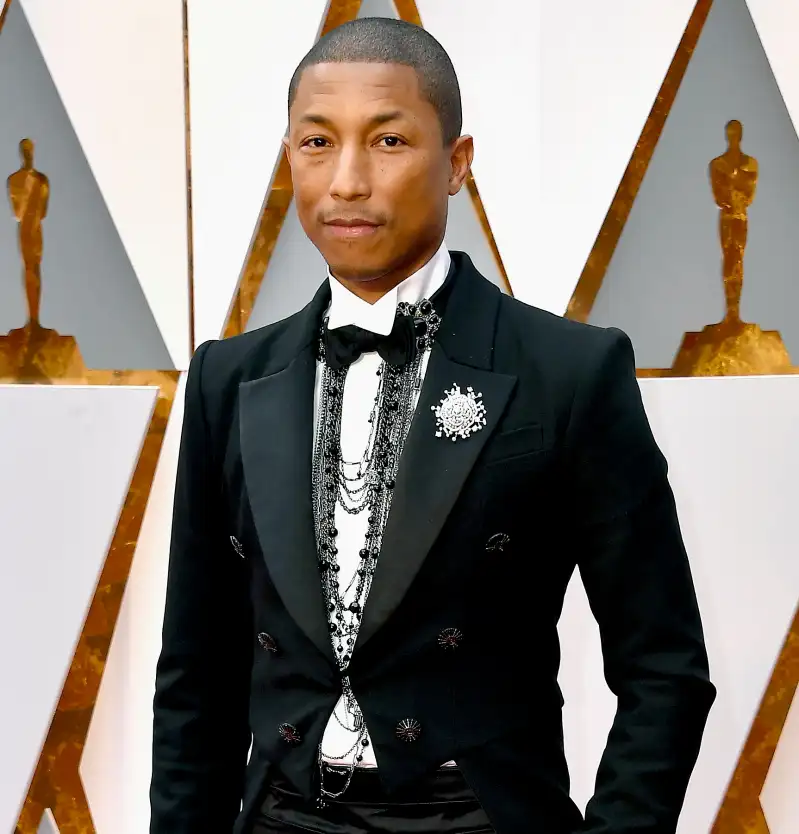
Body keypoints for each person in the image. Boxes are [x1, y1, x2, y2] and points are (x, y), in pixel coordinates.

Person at [150, 17, 715, 834]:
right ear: (288, 159)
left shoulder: (567, 373)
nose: (345, 181)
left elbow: (663, 665)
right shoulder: (228, 379)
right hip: (279, 814)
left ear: (456, 164)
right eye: (316, 143)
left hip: (476, 812)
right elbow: (195, 676)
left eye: (386, 141)